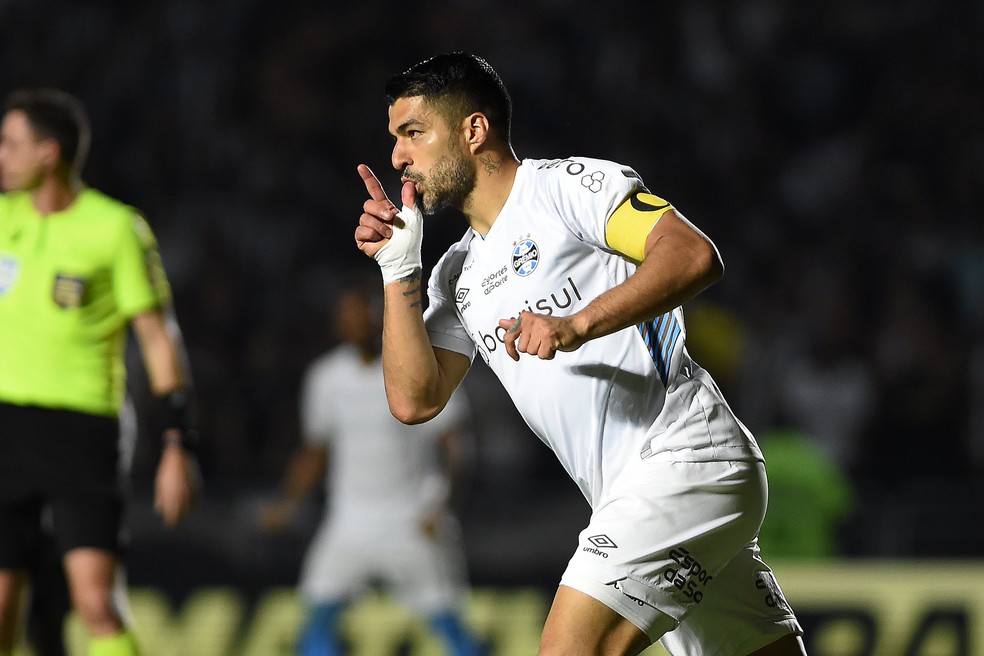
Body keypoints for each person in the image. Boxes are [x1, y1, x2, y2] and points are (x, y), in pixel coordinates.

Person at [353, 52, 808, 656]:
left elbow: (692, 254)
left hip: (682, 456)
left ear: (473, 130)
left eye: (413, 133)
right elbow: (414, 398)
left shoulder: (567, 188)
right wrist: (397, 272)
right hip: (636, 491)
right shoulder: (456, 274)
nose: (397, 157)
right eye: (394, 139)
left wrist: (577, 324)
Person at [0, 89, 198, 656]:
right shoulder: (3, 218)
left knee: (95, 603)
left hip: (81, 431)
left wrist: (176, 443)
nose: (1, 156)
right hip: (6, 430)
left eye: (11, 144)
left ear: (48, 153)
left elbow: (160, 341)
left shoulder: (114, 229)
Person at [260, 280, 484, 656]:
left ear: (377, 314)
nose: (354, 322)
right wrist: (288, 503)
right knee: (317, 620)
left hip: (412, 521)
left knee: (450, 627)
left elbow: (456, 448)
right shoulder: (326, 378)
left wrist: (441, 504)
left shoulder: (414, 362)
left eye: (361, 313)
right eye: (346, 316)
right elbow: (316, 452)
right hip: (349, 522)